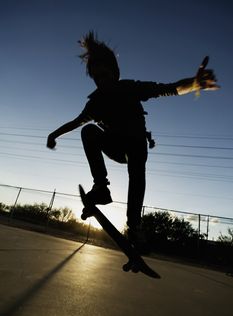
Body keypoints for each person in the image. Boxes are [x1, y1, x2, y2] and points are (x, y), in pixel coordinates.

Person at [47, 31, 219, 250]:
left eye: (106, 76)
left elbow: (166, 89)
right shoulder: (95, 102)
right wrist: (54, 134)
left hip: (136, 146)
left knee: (137, 164)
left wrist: (194, 83)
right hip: (116, 147)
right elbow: (76, 122)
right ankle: (101, 187)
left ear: (115, 74)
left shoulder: (129, 88)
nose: (103, 82)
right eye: (98, 78)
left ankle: (134, 224)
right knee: (89, 131)